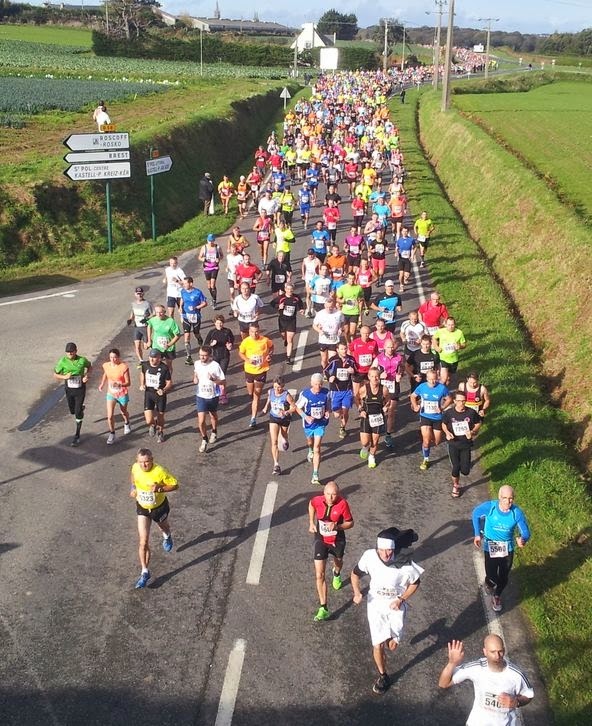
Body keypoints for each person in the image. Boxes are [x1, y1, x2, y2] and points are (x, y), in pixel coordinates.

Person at [351, 528, 423, 695]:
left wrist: (401, 599)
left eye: (389, 550)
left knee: (392, 646)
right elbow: (355, 575)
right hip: (375, 605)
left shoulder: (405, 564)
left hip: (395, 608)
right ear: (377, 549)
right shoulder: (369, 557)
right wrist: (356, 592)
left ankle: (392, 636)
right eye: (381, 550)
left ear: (394, 549)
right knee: (378, 644)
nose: (385, 554)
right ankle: (383, 676)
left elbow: (415, 583)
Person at [438, 635, 534, 721]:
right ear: (485, 652)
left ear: (504, 650)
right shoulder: (476, 668)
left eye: (500, 651)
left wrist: (516, 702)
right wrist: (452, 663)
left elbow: (529, 695)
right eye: (493, 652)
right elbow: (443, 683)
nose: (497, 656)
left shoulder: (516, 674)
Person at [472, 485, 530, 612]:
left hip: (507, 549)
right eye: (504, 498)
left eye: (511, 498)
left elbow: (526, 532)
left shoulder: (516, 513)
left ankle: (497, 596)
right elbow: (475, 514)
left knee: (504, 577)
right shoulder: (490, 507)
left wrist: (523, 540)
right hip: (490, 546)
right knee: (492, 575)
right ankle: (489, 583)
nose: (508, 502)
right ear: (499, 498)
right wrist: (477, 534)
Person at [129, 448, 179, 589]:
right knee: (143, 541)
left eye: (147, 462)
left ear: (152, 460)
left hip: (159, 508)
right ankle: (145, 572)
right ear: (137, 461)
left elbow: (175, 485)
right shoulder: (135, 467)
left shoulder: (159, 471)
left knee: (163, 526)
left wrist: (160, 489)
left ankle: (167, 535)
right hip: (143, 508)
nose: (144, 465)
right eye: (141, 462)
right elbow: (133, 475)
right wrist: (133, 487)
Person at [308, 481, 354, 622]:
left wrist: (338, 526)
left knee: (338, 561)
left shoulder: (343, 504)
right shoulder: (317, 500)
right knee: (319, 574)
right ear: (324, 493)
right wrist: (311, 522)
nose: (330, 497)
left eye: (334, 494)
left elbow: (350, 522)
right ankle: (323, 608)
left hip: (337, 540)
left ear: (338, 494)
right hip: (321, 539)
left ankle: (337, 573)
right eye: (328, 494)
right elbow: (311, 505)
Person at [441, 389, 482, 497]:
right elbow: (444, 424)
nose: (461, 403)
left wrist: (473, 432)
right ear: (454, 401)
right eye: (459, 401)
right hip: (453, 443)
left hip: (466, 444)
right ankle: (456, 485)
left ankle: (463, 470)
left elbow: (478, 423)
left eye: (463, 401)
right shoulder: (449, 413)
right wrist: (447, 432)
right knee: (455, 467)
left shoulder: (471, 412)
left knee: (465, 471)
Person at [410, 368, 451, 471]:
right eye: (430, 379)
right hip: (425, 416)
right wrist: (415, 406)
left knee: (436, 442)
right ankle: (426, 459)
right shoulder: (422, 387)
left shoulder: (442, 388)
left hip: (437, 417)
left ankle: (427, 437)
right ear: (427, 379)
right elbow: (413, 396)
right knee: (426, 441)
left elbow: (449, 399)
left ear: (437, 378)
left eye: (434, 379)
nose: (432, 382)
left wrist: (442, 407)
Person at [295, 372, 331, 486]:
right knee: (310, 442)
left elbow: (328, 404)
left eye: (320, 384)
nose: (318, 387)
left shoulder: (326, 393)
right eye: (315, 384)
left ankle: (315, 474)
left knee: (317, 448)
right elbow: (297, 407)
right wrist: (306, 416)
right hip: (309, 424)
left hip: (320, 423)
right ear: (311, 383)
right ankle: (309, 450)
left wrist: (327, 412)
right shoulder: (305, 394)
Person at [53, 342, 92, 447]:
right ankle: (79, 409)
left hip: (80, 388)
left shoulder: (82, 360)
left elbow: (89, 366)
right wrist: (64, 377)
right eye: (68, 352)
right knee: (72, 411)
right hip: (69, 389)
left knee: (77, 411)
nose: (69, 353)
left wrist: (86, 376)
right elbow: (55, 374)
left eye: (71, 351)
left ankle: (77, 435)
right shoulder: (62, 361)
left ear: (76, 351)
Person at [238, 323, 274, 428]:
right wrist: (247, 360)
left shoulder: (265, 340)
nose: (255, 333)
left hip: (261, 370)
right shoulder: (246, 342)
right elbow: (241, 353)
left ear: (259, 331)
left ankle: (253, 418)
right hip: (249, 370)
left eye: (256, 331)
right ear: (249, 332)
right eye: (252, 331)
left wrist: (269, 356)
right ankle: (253, 400)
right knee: (250, 392)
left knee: (256, 394)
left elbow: (271, 347)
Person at [357, 367, 391, 469]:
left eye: (377, 376)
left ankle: (372, 457)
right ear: (369, 377)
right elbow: (357, 398)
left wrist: (386, 407)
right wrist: (360, 409)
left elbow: (388, 400)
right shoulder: (364, 389)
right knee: (365, 442)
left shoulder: (384, 389)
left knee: (375, 441)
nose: (375, 378)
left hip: (378, 417)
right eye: (372, 376)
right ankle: (364, 447)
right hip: (366, 417)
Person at [193, 345, 226, 453]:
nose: (202, 357)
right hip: (200, 396)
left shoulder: (215, 366)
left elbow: (223, 382)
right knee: (201, 420)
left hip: (212, 396)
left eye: (204, 356)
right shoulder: (197, 363)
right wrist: (195, 379)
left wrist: (214, 379)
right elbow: (195, 373)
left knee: (213, 416)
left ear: (210, 356)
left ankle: (214, 431)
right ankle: (204, 439)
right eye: (200, 355)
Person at [373, 339, 404, 448]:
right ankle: (378, 426)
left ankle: (388, 435)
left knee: (391, 411)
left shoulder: (399, 357)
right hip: (382, 387)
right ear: (384, 348)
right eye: (388, 347)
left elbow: (401, 369)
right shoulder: (379, 358)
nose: (390, 349)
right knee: (381, 409)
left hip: (394, 386)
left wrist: (400, 376)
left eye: (392, 347)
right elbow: (371, 371)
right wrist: (380, 375)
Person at [262, 375, 295, 475]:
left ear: (283, 386)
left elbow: (294, 407)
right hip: (274, 418)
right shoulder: (270, 391)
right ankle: (276, 465)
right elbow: (269, 399)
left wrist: (286, 412)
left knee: (284, 435)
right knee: (274, 441)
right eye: (275, 387)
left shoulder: (286, 395)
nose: (277, 389)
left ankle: (285, 440)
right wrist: (265, 407)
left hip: (284, 419)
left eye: (279, 387)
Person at [324, 341, 356, 440]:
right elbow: (325, 370)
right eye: (342, 349)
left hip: (347, 390)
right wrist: (330, 377)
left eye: (345, 348)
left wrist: (353, 371)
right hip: (335, 390)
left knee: (345, 410)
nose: (344, 351)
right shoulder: (333, 360)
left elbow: (356, 372)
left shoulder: (351, 360)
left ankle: (342, 427)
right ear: (337, 350)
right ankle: (340, 413)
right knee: (337, 415)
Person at [98, 348, 131, 445]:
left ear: (119, 357)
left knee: (123, 412)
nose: (113, 359)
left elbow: (128, 383)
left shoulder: (123, 367)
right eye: (111, 357)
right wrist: (102, 384)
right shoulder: (106, 365)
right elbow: (106, 374)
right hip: (111, 393)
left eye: (115, 357)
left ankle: (127, 423)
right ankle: (112, 433)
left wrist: (120, 385)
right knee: (110, 415)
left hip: (121, 393)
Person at [139, 349, 172, 443]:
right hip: (149, 393)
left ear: (159, 358)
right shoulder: (145, 365)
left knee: (160, 416)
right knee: (148, 420)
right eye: (150, 357)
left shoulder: (164, 368)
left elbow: (169, 383)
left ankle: (160, 432)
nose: (152, 359)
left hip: (160, 395)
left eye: (154, 357)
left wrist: (164, 390)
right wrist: (142, 384)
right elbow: (142, 373)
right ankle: (153, 425)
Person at [270, 281, 304, 364]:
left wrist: (301, 310)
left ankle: (288, 357)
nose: (289, 291)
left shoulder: (296, 297)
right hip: (282, 320)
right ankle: (284, 339)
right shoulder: (281, 298)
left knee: (290, 339)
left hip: (292, 321)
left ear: (293, 290)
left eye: (291, 290)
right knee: (283, 336)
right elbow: (272, 303)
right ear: (285, 290)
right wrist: (278, 306)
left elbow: (300, 304)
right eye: (288, 289)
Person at [204, 314, 234, 404]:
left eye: (221, 323)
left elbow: (231, 341)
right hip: (214, 357)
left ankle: (223, 394)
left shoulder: (227, 331)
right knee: (214, 375)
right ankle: (214, 391)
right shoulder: (212, 332)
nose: (219, 325)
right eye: (217, 323)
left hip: (225, 356)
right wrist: (211, 344)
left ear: (223, 323)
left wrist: (230, 346)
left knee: (222, 375)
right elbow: (205, 344)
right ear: (214, 323)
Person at [145, 305, 182, 378]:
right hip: (157, 347)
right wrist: (149, 340)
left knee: (168, 365)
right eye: (157, 312)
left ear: (164, 312)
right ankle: (158, 380)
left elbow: (178, 335)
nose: (159, 314)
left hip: (168, 348)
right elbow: (149, 326)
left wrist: (169, 344)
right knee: (155, 363)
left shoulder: (170, 321)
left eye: (161, 312)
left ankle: (168, 380)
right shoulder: (153, 320)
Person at [179, 276, 208, 365]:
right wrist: (180, 307)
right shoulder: (183, 291)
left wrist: (196, 307)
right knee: (186, 336)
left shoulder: (198, 292)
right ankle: (189, 357)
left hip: (196, 316)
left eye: (185, 283)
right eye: (183, 283)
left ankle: (200, 342)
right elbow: (182, 299)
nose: (183, 285)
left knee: (196, 334)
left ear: (191, 283)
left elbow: (205, 303)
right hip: (186, 316)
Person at [312, 297, 345, 369]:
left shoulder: (338, 313)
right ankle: (325, 371)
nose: (329, 308)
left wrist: (341, 329)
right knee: (324, 359)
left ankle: (330, 373)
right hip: (323, 340)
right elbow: (314, 325)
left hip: (334, 340)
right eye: (327, 307)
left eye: (331, 307)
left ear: (333, 306)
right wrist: (320, 331)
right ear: (324, 306)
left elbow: (343, 322)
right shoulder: (320, 314)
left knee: (332, 359)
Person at [433, 316, 467, 386]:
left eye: (452, 325)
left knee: (448, 379)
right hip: (443, 358)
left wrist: (460, 346)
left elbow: (464, 344)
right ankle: (437, 393)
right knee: (444, 379)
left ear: (455, 324)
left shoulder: (459, 332)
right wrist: (436, 346)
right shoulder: (441, 331)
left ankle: (444, 392)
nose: (450, 327)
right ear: (445, 324)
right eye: (449, 325)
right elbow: (434, 338)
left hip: (454, 359)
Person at [127, 286, 154, 366]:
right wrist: (130, 319)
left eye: (141, 293)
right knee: (137, 345)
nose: (139, 295)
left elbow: (153, 314)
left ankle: (155, 354)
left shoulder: (147, 304)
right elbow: (132, 314)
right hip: (137, 327)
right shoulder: (133, 304)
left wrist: (146, 319)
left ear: (143, 294)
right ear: (135, 294)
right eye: (138, 294)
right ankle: (141, 360)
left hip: (145, 327)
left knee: (146, 346)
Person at [336, 271, 364, 344]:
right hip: (345, 312)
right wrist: (341, 301)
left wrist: (360, 300)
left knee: (353, 331)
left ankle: (353, 343)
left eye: (353, 279)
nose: (351, 280)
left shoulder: (358, 288)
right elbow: (337, 298)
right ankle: (348, 343)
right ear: (347, 279)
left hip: (354, 312)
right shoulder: (342, 288)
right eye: (350, 279)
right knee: (346, 331)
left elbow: (361, 297)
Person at [198, 233, 223, 308]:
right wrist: (203, 259)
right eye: (209, 241)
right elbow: (199, 257)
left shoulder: (217, 247)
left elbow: (222, 255)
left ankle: (214, 300)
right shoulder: (204, 247)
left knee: (212, 284)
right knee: (209, 286)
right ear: (207, 240)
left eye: (212, 241)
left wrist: (219, 259)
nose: (211, 242)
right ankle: (213, 297)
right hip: (206, 268)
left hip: (214, 267)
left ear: (214, 240)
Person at [395, 227, 417, 293]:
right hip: (401, 259)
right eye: (403, 231)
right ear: (401, 232)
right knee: (401, 274)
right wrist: (396, 253)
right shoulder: (399, 240)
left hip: (408, 259)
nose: (404, 233)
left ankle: (405, 279)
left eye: (406, 231)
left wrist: (413, 255)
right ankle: (401, 285)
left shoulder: (411, 240)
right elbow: (397, 248)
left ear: (408, 232)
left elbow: (415, 246)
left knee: (407, 275)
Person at [301, 248, 321, 317]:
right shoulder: (305, 260)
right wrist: (303, 274)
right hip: (308, 279)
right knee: (308, 294)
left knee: (314, 294)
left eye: (312, 254)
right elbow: (303, 266)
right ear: (308, 254)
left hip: (315, 280)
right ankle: (308, 308)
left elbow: (320, 269)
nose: (311, 256)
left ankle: (312, 308)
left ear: (314, 254)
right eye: (309, 254)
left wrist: (320, 277)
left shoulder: (317, 260)